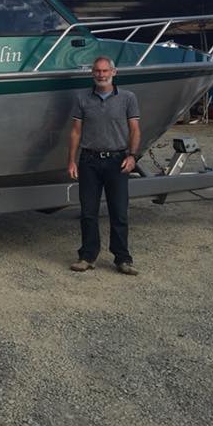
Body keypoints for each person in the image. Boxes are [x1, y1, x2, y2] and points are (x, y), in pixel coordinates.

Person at [66, 56, 141, 275]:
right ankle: (87, 256)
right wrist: (71, 160)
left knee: (119, 211)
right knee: (88, 212)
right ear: (92, 73)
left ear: (113, 72)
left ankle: (122, 258)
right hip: (89, 160)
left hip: (117, 161)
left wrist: (133, 155)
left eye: (105, 70)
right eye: (97, 71)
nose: (101, 74)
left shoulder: (128, 98)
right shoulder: (82, 98)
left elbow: (135, 129)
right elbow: (75, 131)